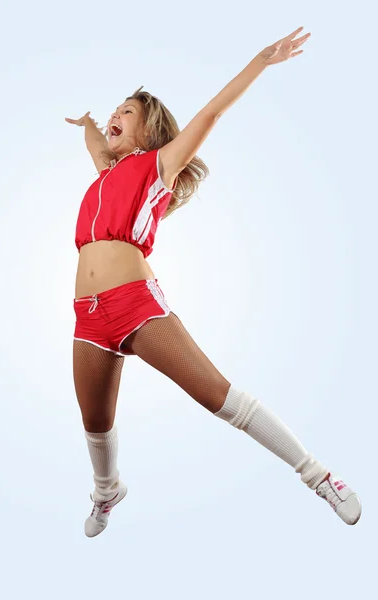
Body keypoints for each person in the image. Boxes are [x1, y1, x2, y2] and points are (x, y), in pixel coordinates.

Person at [66, 27, 361, 538]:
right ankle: (107, 491)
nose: (117, 116)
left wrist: (261, 60)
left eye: (127, 112)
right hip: (88, 315)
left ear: (150, 130)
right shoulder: (103, 173)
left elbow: (210, 114)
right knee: (95, 422)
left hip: (136, 305)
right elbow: (96, 145)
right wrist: (93, 122)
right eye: (116, 109)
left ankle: (319, 476)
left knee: (218, 397)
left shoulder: (157, 166)